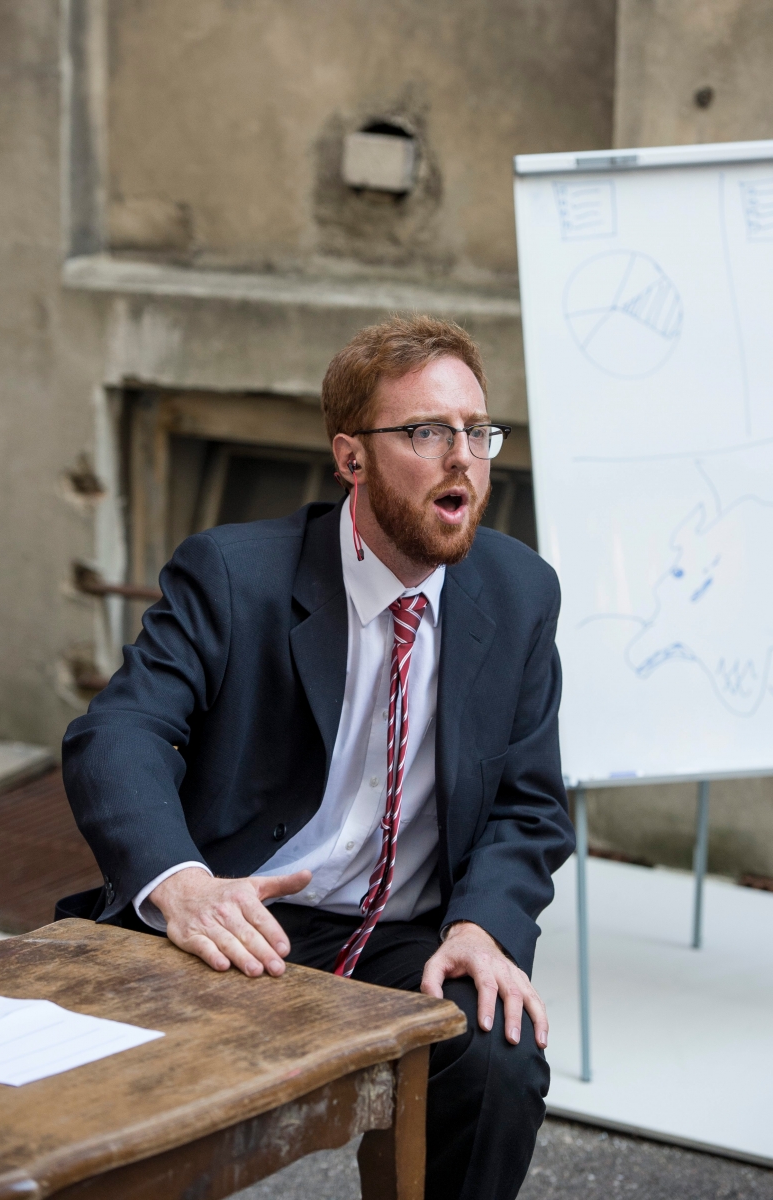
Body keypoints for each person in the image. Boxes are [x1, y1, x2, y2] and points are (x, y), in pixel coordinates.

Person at [61, 314, 574, 1200]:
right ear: (351, 458)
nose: (463, 457)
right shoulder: (233, 573)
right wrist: (180, 884)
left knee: (497, 1056)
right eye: (424, 432)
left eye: (477, 431)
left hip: (405, 935)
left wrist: (482, 927)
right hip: (238, 918)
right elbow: (119, 732)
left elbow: (528, 805)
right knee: (109, 1120)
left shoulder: (520, 591)